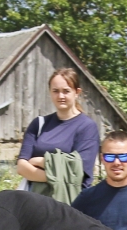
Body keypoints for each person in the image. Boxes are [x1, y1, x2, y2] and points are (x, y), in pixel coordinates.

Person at [17, 68, 100, 197]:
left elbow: (77, 171)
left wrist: (39, 161)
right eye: (55, 91)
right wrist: (58, 174)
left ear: (77, 92)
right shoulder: (39, 124)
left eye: (66, 91)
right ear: (50, 92)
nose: (60, 96)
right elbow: (21, 167)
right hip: (35, 204)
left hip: (70, 205)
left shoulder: (87, 127)